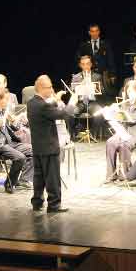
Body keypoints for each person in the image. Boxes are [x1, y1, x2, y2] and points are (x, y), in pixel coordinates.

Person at [27, 75, 78, 213]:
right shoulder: (42, 105)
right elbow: (63, 115)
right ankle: (54, 205)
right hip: (49, 147)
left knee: (38, 177)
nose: (51, 89)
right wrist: (72, 103)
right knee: (52, 178)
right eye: (49, 87)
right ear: (41, 88)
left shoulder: (31, 102)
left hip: (38, 147)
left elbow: (48, 110)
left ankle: (37, 203)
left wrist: (55, 100)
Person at [0, 89, 34, 193]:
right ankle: (9, 183)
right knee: (20, 157)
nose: (8, 101)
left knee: (33, 150)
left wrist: (14, 122)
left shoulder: (3, 111)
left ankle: (23, 180)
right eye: (6, 99)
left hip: (9, 142)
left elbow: (10, 129)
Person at [105, 81, 136, 182]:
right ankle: (111, 174)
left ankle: (124, 174)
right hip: (125, 132)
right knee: (110, 142)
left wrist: (119, 113)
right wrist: (111, 111)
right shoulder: (125, 104)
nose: (130, 94)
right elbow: (118, 119)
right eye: (128, 91)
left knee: (124, 144)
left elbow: (132, 119)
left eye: (133, 91)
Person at [69, 55, 104, 138]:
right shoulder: (76, 77)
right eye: (83, 64)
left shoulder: (97, 76)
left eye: (87, 64)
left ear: (91, 64)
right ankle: (73, 134)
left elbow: (102, 91)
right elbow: (72, 91)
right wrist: (80, 86)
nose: (86, 66)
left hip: (92, 102)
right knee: (70, 112)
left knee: (100, 113)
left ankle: (92, 133)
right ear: (80, 65)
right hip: (80, 103)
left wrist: (96, 88)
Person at [75, 23, 116, 91]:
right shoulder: (84, 45)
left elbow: (111, 60)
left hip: (104, 74)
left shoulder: (106, 44)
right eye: (92, 31)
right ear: (89, 32)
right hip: (90, 74)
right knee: (91, 92)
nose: (95, 33)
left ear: (99, 32)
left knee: (105, 93)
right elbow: (78, 59)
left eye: (96, 31)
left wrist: (112, 75)